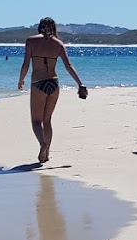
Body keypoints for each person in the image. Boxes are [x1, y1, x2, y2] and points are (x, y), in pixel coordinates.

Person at [17, 17, 87, 163]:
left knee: (36, 121)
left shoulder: (31, 41)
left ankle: (43, 144)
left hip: (38, 83)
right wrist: (80, 84)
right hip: (53, 84)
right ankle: (46, 154)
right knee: (47, 120)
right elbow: (69, 66)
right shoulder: (59, 44)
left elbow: (25, 65)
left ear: (40, 27)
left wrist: (21, 80)